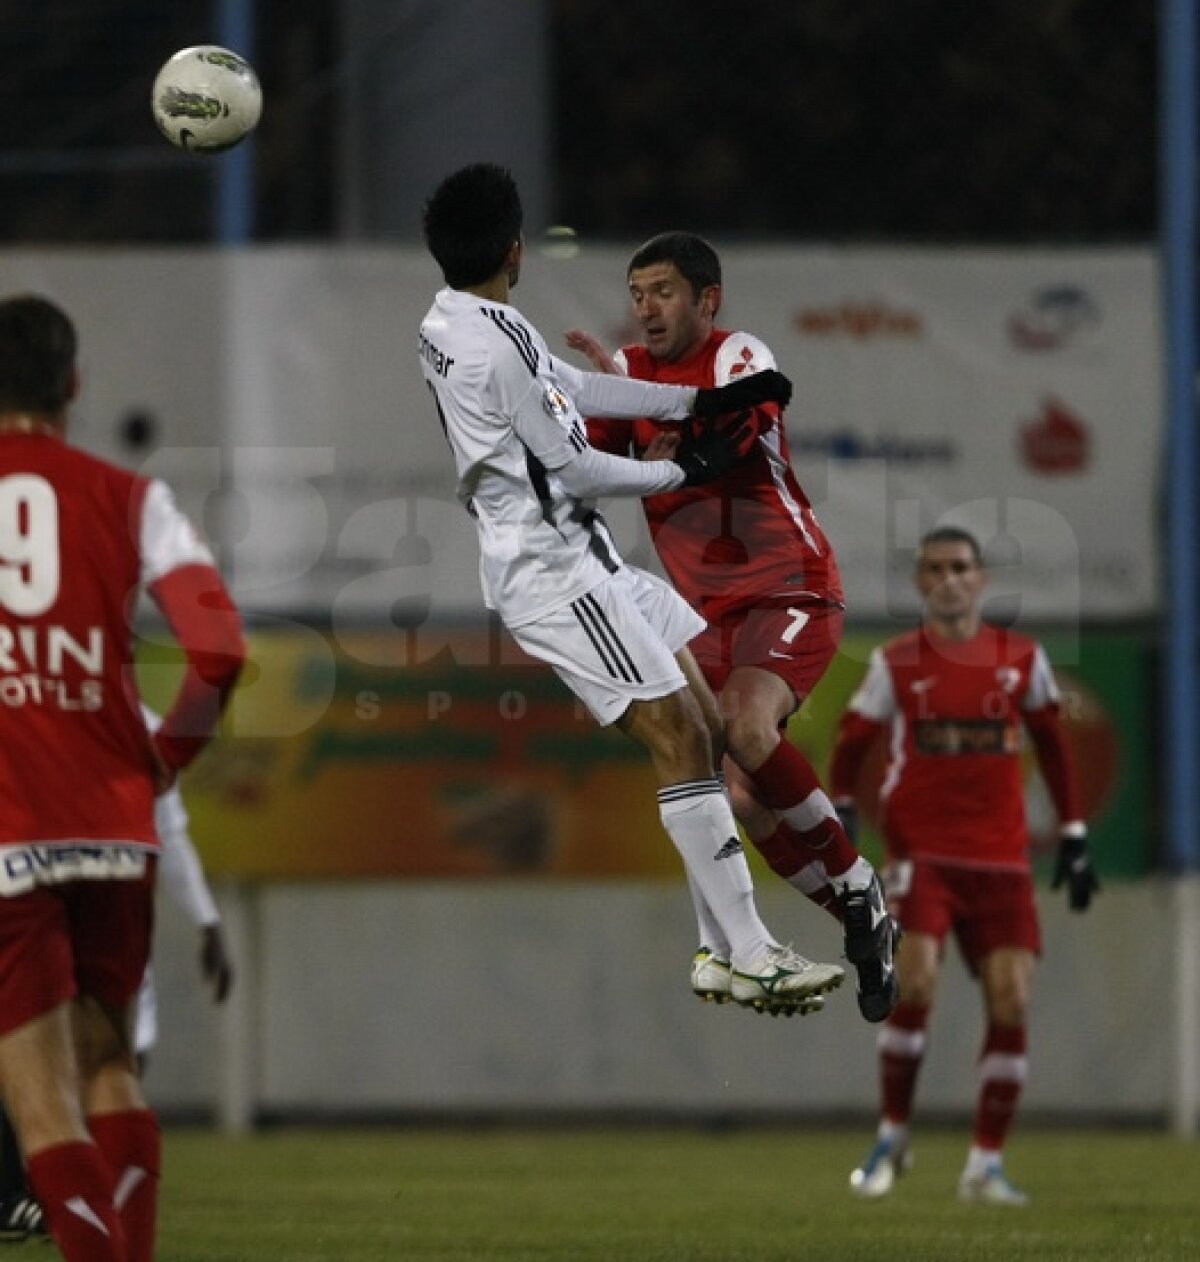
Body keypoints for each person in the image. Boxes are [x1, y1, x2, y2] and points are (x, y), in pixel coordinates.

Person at [419, 163, 845, 1017]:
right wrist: (684, 468)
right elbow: (576, 466)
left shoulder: (452, 321)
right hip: (555, 571)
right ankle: (750, 952)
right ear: (516, 248)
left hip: (587, 558)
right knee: (680, 738)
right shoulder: (497, 344)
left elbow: (575, 386)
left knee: (709, 726)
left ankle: (719, 950)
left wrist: (695, 406)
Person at [565, 231, 898, 1023]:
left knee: (746, 727)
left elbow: (736, 435)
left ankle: (858, 882)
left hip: (789, 585)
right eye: (637, 294)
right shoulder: (629, 373)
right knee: (740, 795)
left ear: (706, 300)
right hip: (707, 616)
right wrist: (584, 407)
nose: (647, 308)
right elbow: (583, 473)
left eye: (663, 291)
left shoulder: (737, 356)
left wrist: (664, 450)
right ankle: (861, 919)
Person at [0, 295, 245, 1262]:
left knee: (39, 1099)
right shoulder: (133, 499)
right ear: (72, 384)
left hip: (9, 827)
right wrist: (165, 759)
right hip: (115, 822)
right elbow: (219, 650)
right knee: (109, 1067)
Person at [831, 526, 1099, 1205]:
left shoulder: (1022, 658)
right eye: (935, 569)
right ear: (919, 583)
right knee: (915, 982)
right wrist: (842, 810)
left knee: (1012, 998)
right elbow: (852, 741)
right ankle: (893, 1135)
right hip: (922, 851)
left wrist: (1073, 834)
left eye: (960, 567)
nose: (948, 579)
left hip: (1002, 858)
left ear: (981, 579)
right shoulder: (896, 662)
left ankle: (985, 1165)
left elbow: (1053, 742)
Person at [0, 732, 234, 1243]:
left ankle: (45, 1199)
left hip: (24, 868)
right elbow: (215, 674)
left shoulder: (20, 701)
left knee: (46, 1091)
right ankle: (36, 1198)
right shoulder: (126, 711)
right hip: (114, 862)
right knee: (106, 1070)